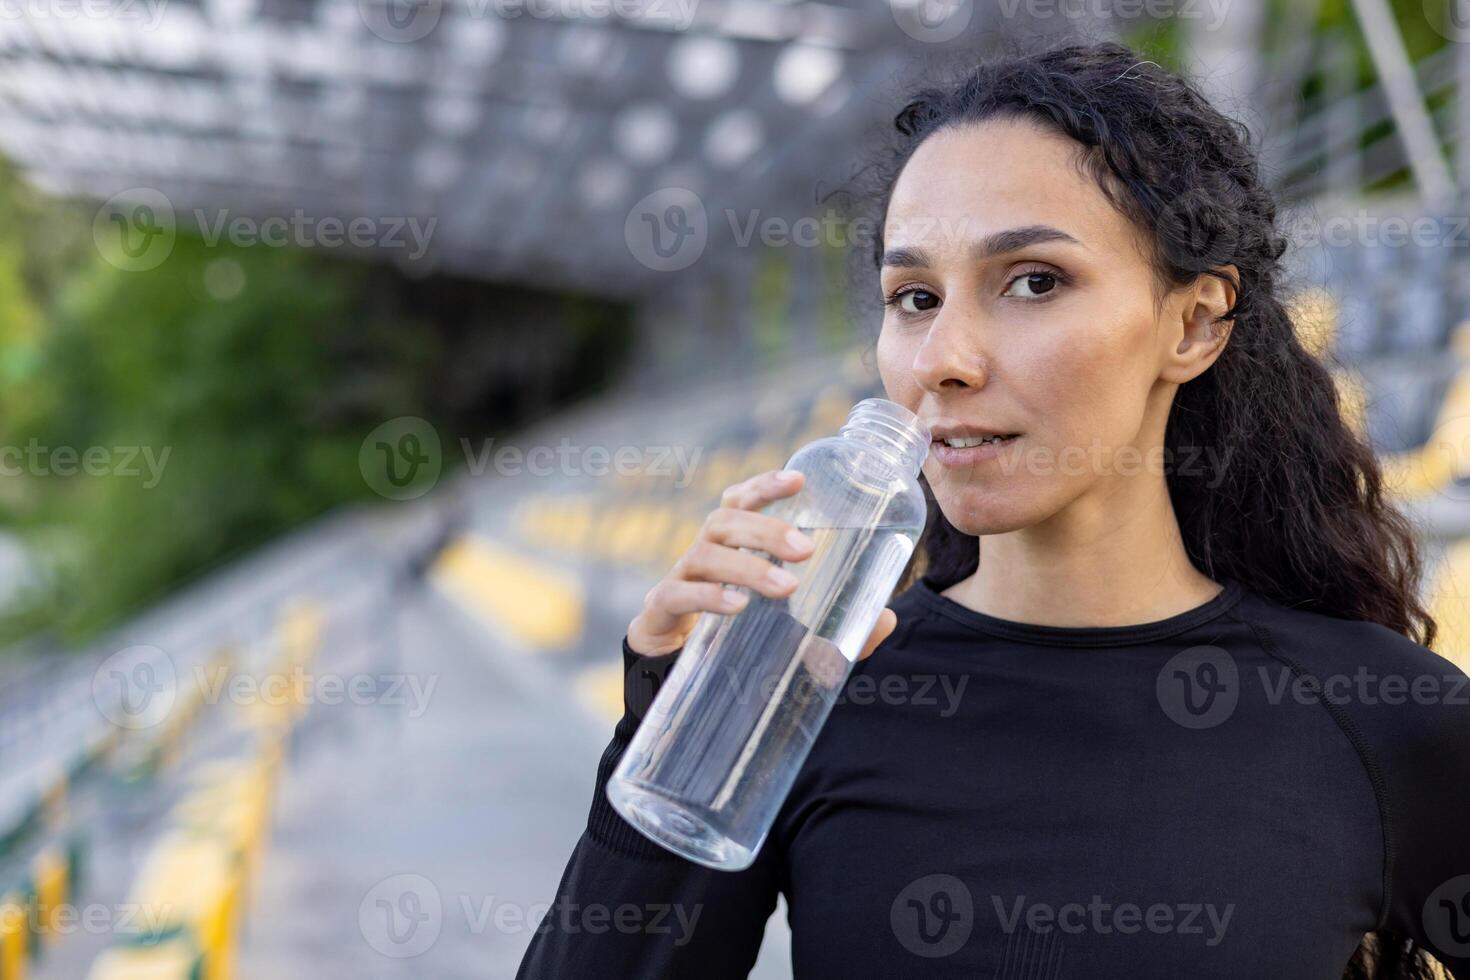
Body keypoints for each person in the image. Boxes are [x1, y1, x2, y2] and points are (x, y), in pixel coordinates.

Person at [517, 41, 1470, 979]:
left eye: (1034, 282)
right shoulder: (810, 689)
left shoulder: (1373, 713)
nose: (944, 359)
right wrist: (673, 729)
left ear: (1194, 322)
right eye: (914, 296)